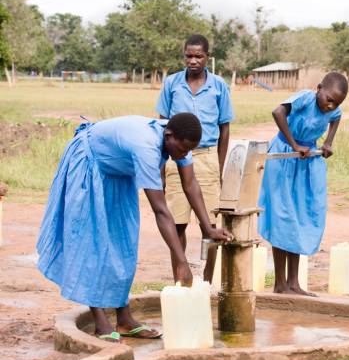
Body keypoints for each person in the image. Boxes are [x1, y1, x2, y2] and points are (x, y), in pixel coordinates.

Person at [36, 114, 231, 342]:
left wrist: (208, 228)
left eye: (190, 150)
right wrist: (181, 261)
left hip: (118, 171)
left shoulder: (179, 140)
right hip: (90, 162)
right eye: (183, 149)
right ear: (169, 137)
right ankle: (100, 320)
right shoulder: (146, 147)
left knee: (124, 241)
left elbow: (190, 184)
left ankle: (125, 319)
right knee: (94, 241)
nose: (185, 154)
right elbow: (161, 211)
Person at [258, 72, 348, 296]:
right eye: (328, 99)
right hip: (283, 158)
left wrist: (327, 142)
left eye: (335, 103)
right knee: (283, 217)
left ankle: (294, 284)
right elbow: (278, 112)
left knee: (299, 218)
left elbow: (336, 117)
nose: (330, 106)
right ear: (319, 88)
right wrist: (294, 143)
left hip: (306, 161)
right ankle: (280, 284)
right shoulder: (305, 98)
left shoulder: (334, 109)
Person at [156, 34, 234, 284]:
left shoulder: (219, 85)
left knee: (208, 224)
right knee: (177, 223)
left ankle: (207, 282)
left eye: (198, 56)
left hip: (207, 157)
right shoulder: (171, 84)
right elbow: (161, 125)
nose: (193, 61)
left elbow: (225, 129)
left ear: (207, 57)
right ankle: (180, 277)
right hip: (176, 157)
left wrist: (219, 168)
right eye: (189, 56)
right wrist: (162, 168)